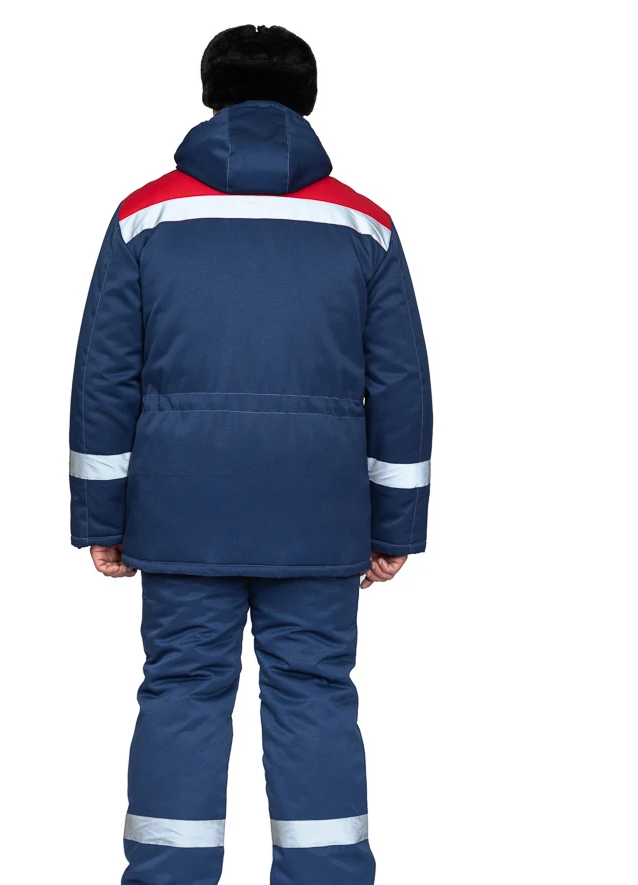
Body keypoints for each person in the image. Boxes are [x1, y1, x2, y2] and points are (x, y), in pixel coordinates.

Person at [69, 24, 432, 885]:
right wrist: (394, 525)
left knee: (182, 692)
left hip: (180, 513)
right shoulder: (364, 225)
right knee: (314, 694)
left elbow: (104, 377)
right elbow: (403, 384)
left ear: (209, 97)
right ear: (308, 100)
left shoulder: (146, 216)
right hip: (318, 517)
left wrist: (102, 515)